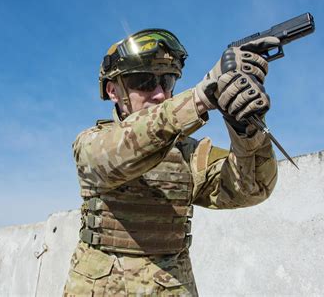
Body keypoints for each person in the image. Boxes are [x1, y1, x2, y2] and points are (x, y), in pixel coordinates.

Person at [63, 29, 279, 296]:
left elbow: (252, 188)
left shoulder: (189, 153)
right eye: (143, 82)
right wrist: (200, 98)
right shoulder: (92, 143)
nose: (159, 94)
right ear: (113, 90)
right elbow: (115, 154)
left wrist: (245, 129)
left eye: (167, 81)